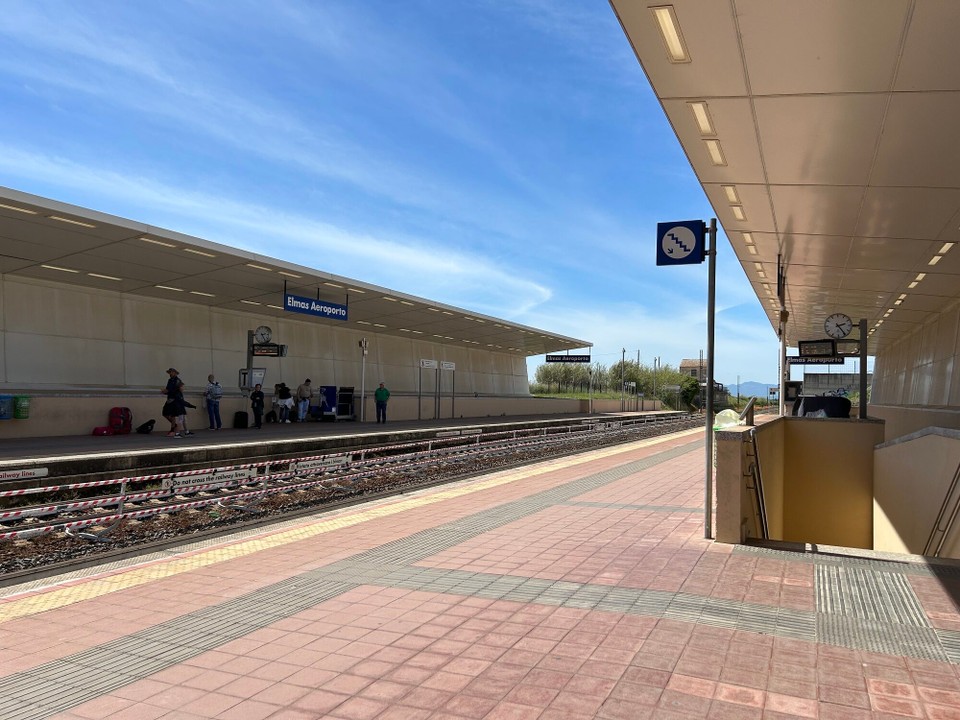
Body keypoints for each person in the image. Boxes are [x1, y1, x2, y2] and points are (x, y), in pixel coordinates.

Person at [161, 368, 185, 438]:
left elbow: (179, 390)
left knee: (173, 415)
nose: (170, 374)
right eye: (169, 372)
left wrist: (167, 391)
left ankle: (173, 430)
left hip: (175, 399)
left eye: (171, 372)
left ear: (175, 373)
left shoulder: (178, 381)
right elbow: (168, 389)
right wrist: (164, 391)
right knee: (165, 413)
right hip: (169, 398)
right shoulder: (169, 380)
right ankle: (175, 426)